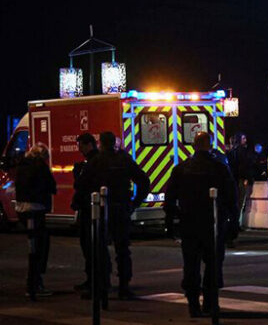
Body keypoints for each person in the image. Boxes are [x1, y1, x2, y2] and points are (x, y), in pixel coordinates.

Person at [165, 132, 238, 318]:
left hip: (189, 223)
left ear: (194, 146)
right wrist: (233, 222)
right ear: (210, 145)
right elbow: (232, 197)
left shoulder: (181, 169)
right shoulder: (220, 168)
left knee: (191, 264)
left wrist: (172, 220)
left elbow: (169, 199)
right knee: (213, 264)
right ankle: (210, 303)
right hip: (213, 224)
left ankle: (193, 304)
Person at [75, 131, 150, 299]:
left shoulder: (95, 162)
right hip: (121, 208)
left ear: (101, 143)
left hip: (101, 211)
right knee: (122, 250)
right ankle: (124, 287)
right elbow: (144, 181)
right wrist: (134, 203)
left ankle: (102, 287)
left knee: (100, 249)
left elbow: (81, 186)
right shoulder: (124, 160)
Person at [14, 143, 56, 299]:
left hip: (22, 210)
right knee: (40, 247)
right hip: (36, 209)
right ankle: (34, 284)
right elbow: (51, 186)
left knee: (33, 247)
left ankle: (33, 283)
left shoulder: (22, 166)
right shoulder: (41, 167)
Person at [71, 133, 99, 292]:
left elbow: (82, 186)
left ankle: (94, 281)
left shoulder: (92, 162)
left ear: (89, 144)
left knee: (90, 247)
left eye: (81, 145)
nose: (79, 149)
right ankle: (94, 280)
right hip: (94, 209)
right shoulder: (92, 161)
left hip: (91, 211)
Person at [227, 132, 254, 233]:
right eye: (243, 138)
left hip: (234, 179)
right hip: (241, 180)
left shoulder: (233, 150)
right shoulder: (242, 151)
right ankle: (236, 224)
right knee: (240, 203)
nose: (245, 140)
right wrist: (246, 178)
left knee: (236, 203)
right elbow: (244, 166)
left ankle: (234, 223)